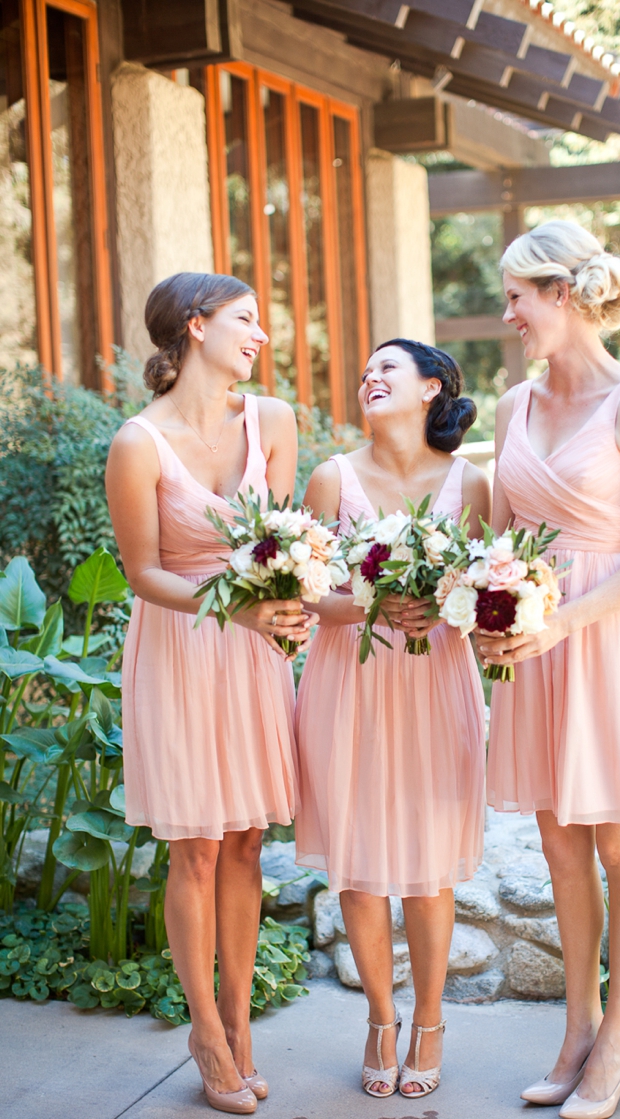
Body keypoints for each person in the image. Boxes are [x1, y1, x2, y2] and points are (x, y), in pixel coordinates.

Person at [476, 222, 620, 1119]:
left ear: (562, 295)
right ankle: (577, 1029)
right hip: (533, 644)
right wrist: (483, 606)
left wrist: (564, 621)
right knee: (559, 844)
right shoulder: (510, 407)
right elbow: (492, 539)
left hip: (600, 638)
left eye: (518, 296)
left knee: (619, 843)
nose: (508, 312)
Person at [106, 272, 311, 1116]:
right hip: (182, 649)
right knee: (194, 845)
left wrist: (287, 604)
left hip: (255, 653)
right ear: (196, 327)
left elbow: (288, 544)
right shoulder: (137, 443)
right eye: (245, 319)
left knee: (246, 840)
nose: (260, 334)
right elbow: (143, 571)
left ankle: (241, 1025)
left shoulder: (273, 421)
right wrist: (242, 603)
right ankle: (206, 1033)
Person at [295, 340, 490, 1099]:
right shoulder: (330, 478)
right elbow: (308, 590)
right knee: (360, 861)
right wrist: (364, 604)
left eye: (388, 369)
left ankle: (430, 1020)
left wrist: (448, 605)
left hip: (436, 678)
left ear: (430, 387)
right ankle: (380, 1017)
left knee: (429, 865)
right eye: (365, 369)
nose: (369, 377)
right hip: (351, 679)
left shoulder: (472, 482)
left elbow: (491, 585)